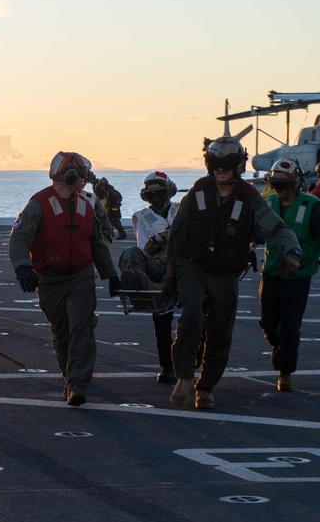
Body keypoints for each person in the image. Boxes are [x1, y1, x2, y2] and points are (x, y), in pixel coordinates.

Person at [164, 136, 302, 410]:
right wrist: (170, 272)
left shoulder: (250, 198)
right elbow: (178, 230)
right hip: (193, 266)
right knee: (191, 317)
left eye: (227, 165)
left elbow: (275, 228)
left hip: (225, 273)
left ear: (238, 166)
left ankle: (206, 387)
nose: (221, 170)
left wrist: (291, 252)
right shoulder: (198, 190)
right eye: (217, 165)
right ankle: (184, 378)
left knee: (220, 330)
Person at [9, 151, 121, 406]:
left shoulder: (86, 205)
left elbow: (96, 243)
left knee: (81, 328)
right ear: (72, 176)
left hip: (81, 276)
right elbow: (19, 237)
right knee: (61, 333)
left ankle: (78, 384)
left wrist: (111, 275)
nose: (85, 181)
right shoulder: (38, 204)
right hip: (49, 279)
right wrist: (23, 268)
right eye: (83, 176)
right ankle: (69, 378)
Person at [258, 158, 320, 391]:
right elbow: (254, 230)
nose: (278, 190)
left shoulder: (311, 206)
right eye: (274, 184)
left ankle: (285, 373)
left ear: (295, 184)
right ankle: (278, 345)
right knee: (269, 324)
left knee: (290, 327)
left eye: (282, 185)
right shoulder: (268, 203)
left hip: (299, 277)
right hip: (272, 273)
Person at [118, 171, 179, 383]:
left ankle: (155, 286)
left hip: (183, 264)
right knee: (129, 254)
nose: (156, 197)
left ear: (169, 191)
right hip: (158, 264)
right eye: (151, 193)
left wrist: (163, 237)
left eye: (159, 192)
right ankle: (168, 366)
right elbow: (144, 249)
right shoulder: (141, 217)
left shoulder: (182, 210)